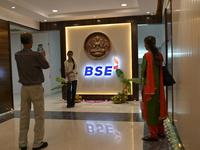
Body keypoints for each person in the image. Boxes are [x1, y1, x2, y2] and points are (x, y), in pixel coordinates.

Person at [15, 32, 49, 150]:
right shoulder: (36, 55)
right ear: (31, 41)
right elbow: (46, 66)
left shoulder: (17, 55)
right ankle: (37, 142)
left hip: (24, 88)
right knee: (39, 115)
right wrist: (43, 55)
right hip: (36, 88)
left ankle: (22, 143)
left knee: (24, 115)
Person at [141, 36, 168, 141]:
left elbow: (143, 72)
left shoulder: (146, 56)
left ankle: (153, 134)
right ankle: (161, 132)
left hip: (150, 89)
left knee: (150, 111)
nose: (144, 46)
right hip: (159, 88)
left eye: (145, 43)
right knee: (158, 110)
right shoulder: (159, 55)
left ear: (147, 45)